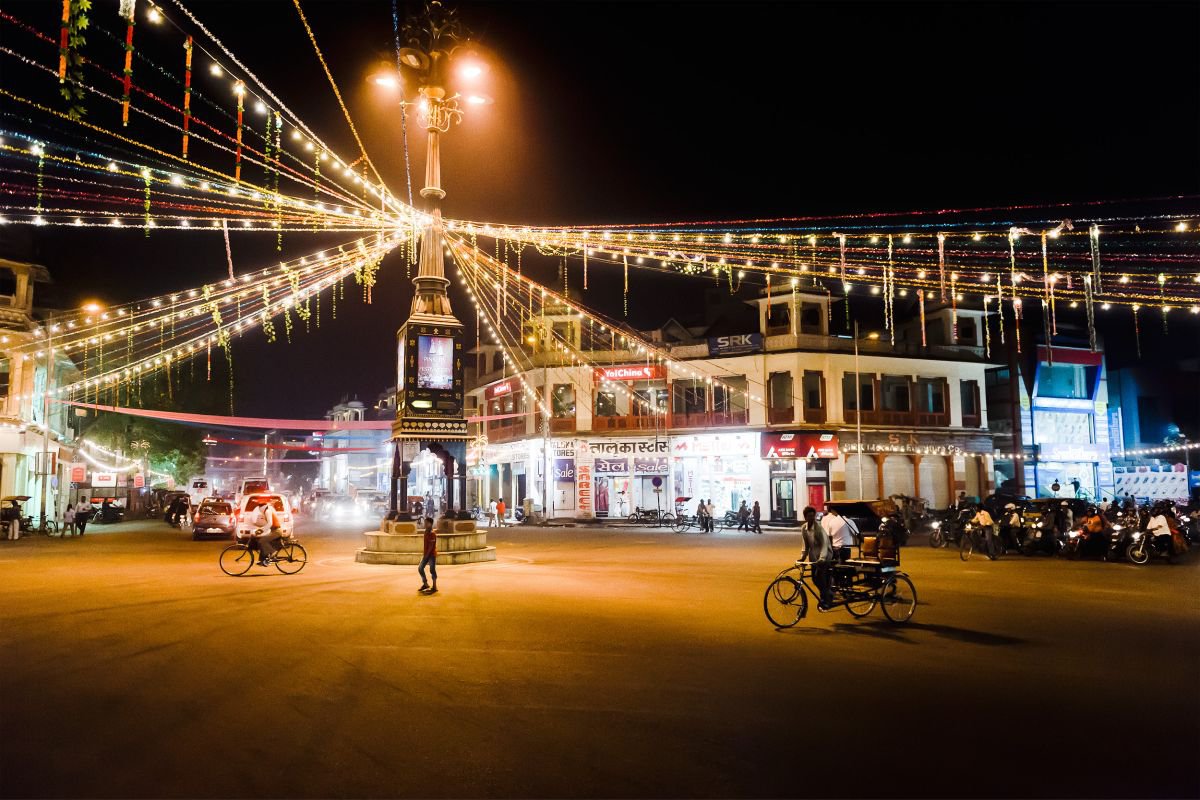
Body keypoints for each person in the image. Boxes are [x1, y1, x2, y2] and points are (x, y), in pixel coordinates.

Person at [798, 506, 834, 610]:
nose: (811, 518)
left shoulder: (819, 528)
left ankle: (826, 598)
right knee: (814, 579)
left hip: (825, 556)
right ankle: (827, 594)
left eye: (813, 516)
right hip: (814, 557)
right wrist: (802, 558)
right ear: (805, 517)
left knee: (820, 577)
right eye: (809, 516)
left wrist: (822, 558)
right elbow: (805, 545)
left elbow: (824, 544)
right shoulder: (804, 528)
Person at [252, 500, 283, 566]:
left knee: (262, 541)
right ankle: (263, 561)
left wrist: (261, 530)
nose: (259, 508)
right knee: (262, 541)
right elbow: (267, 525)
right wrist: (260, 530)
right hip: (274, 531)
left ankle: (272, 552)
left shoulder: (267, 512)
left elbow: (270, 524)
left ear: (262, 507)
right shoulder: (266, 511)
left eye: (260, 506)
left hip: (277, 531)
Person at [418, 516, 438, 594]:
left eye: (426, 523)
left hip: (431, 555)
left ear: (430, 524)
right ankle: (425, 583)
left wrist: (426, 555)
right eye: (425, 523)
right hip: (426, 554)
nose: (425, 524)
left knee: (432, 570)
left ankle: (434, 586)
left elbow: (431, 546)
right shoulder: (426, 532)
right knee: (420, 568)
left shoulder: (432, 533)